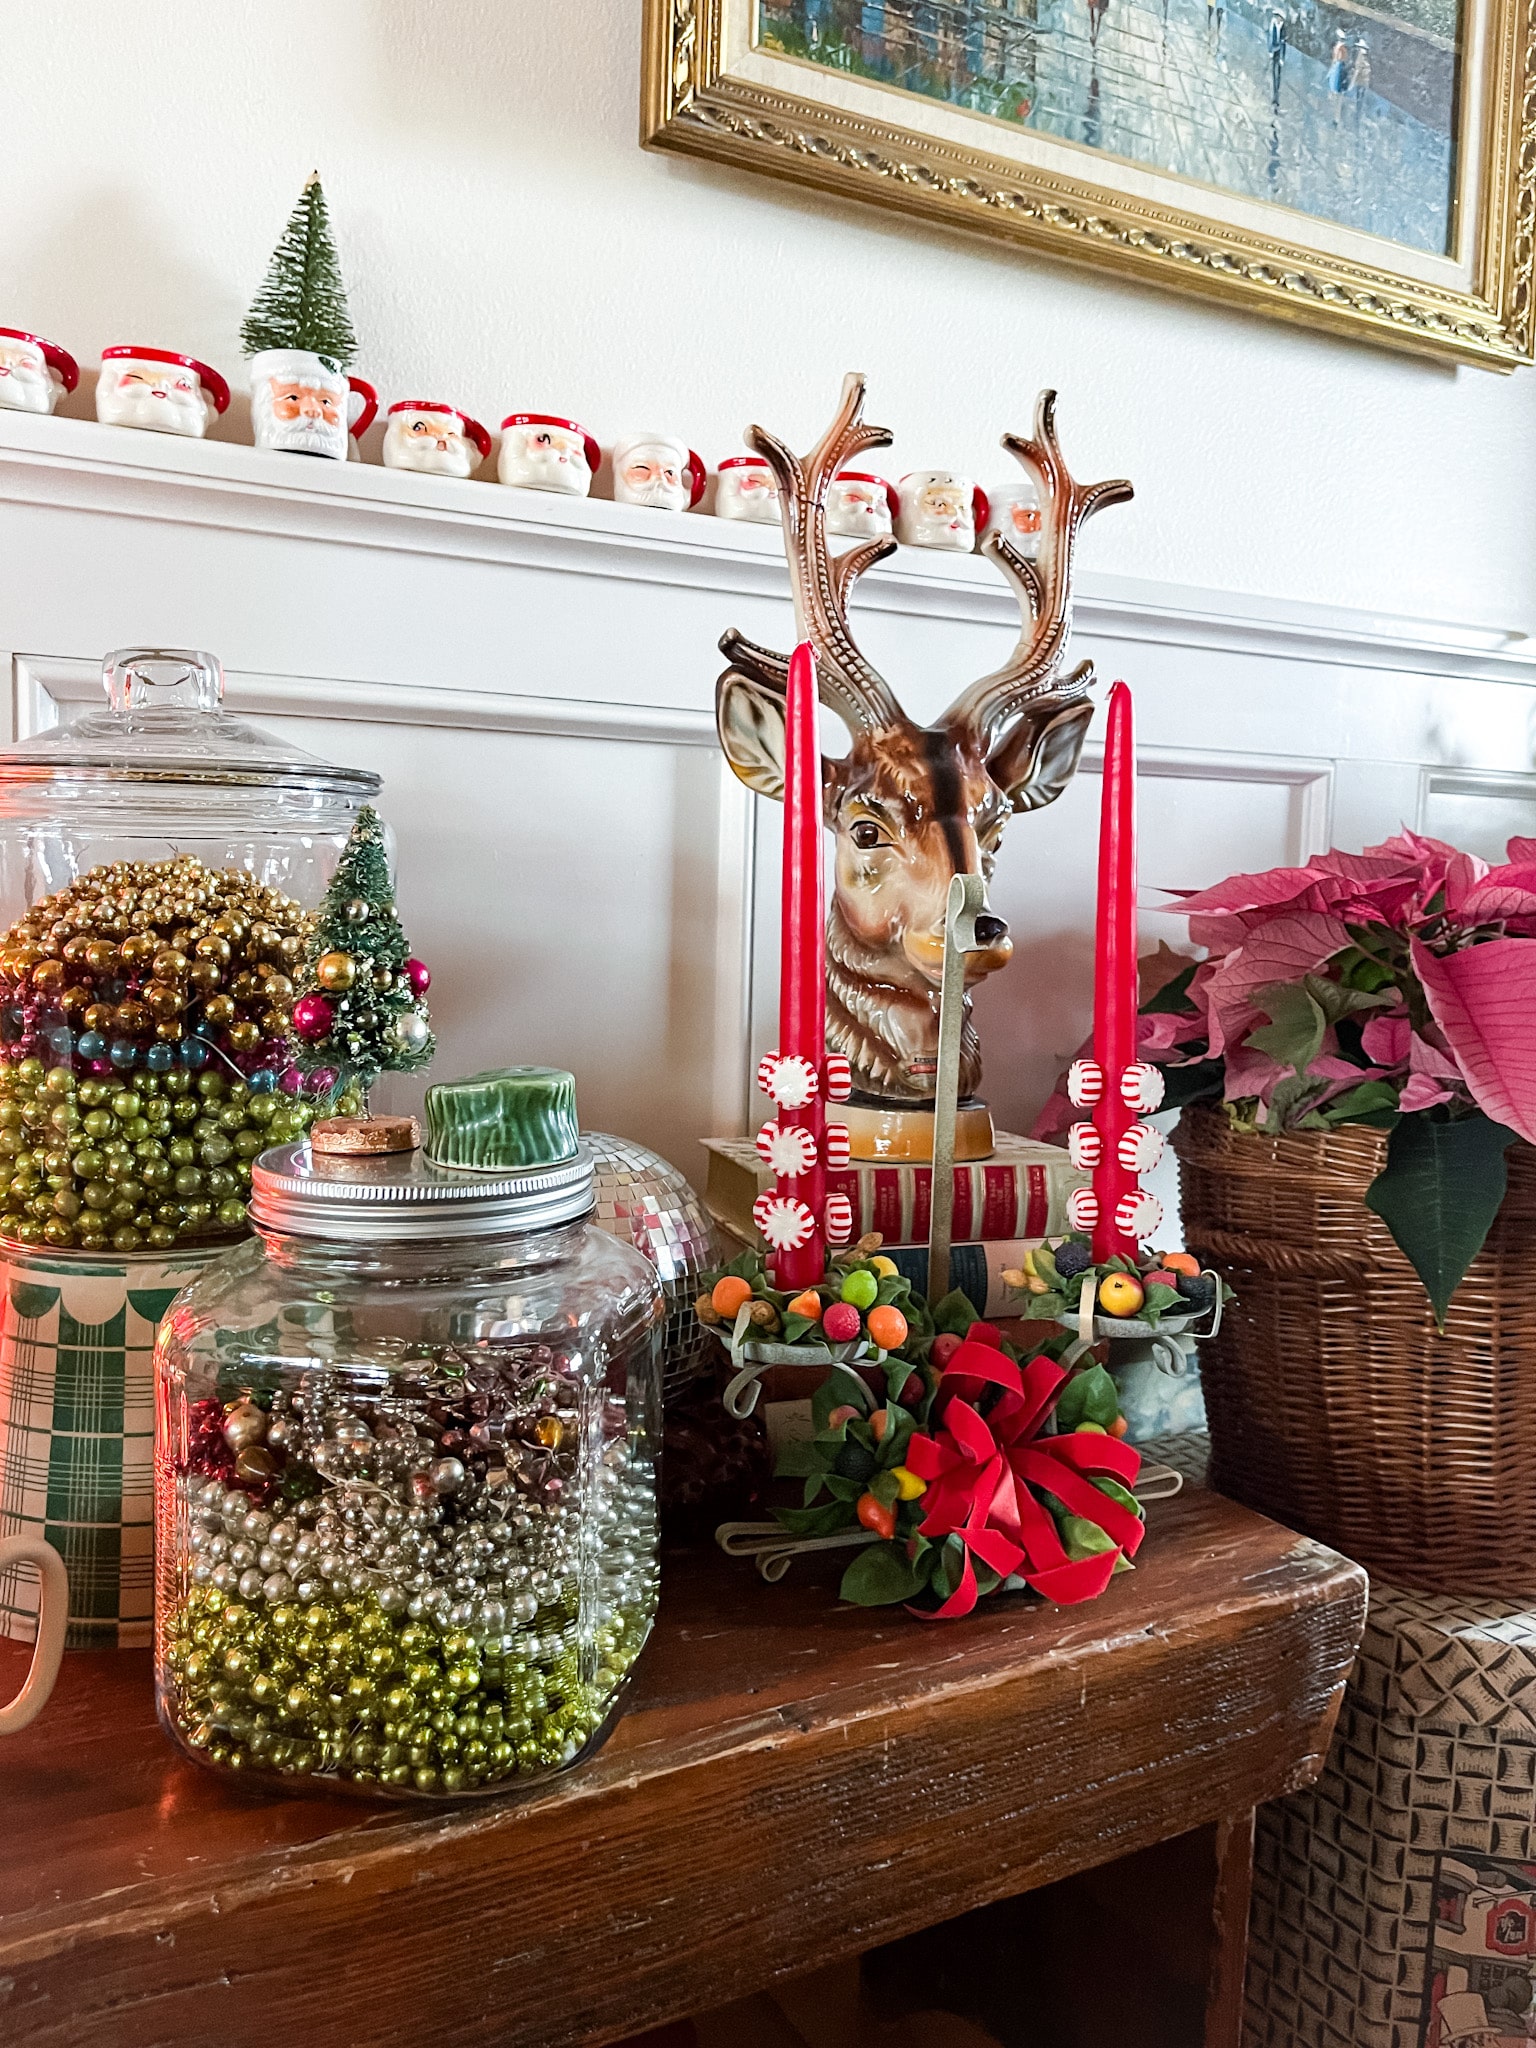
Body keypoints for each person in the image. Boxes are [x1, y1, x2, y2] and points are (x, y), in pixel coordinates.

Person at [1327, 28, 1351, 122]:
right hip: (1337, 70)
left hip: (1338, 71)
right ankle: (1335, 116)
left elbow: (1338, 60)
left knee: (1337, 94)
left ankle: (1336, 117)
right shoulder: (1339, 48)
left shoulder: (1341, 49)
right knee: (1336, 94)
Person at [1266, 9, 1288, 107]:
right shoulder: (1272, 25)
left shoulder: (1283, 27)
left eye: (1278, 17)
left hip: (1279, 52)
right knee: (1273, 73)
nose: (1276, 18)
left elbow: (1283, 43)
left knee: (1278, 74)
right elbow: (1270, 39)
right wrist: (1270, 51)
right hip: (1273, 51)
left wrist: (1282, 57)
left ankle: (1276, 95)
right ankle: (1273, 94)